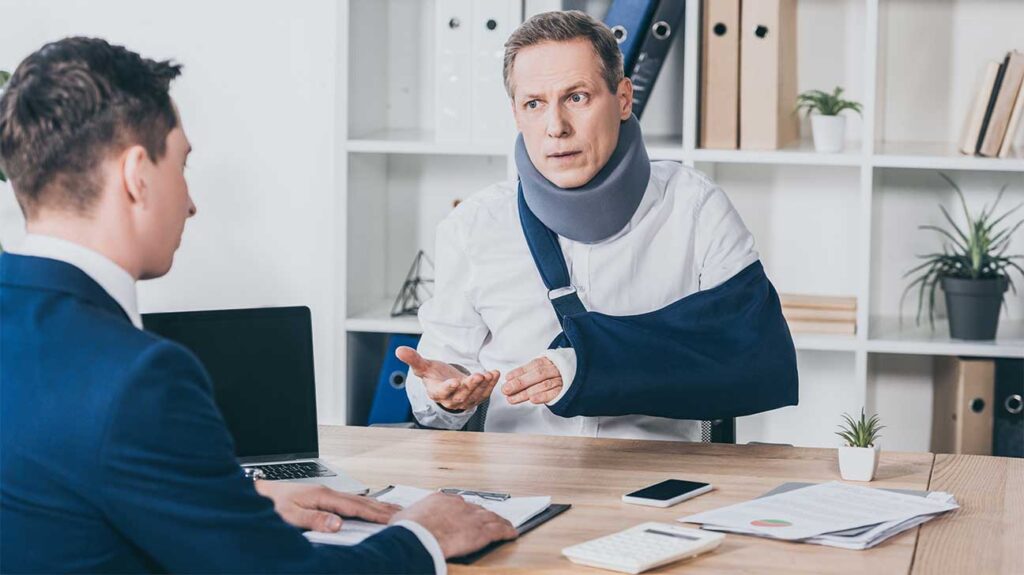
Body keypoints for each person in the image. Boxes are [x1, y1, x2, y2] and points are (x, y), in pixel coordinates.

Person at [0, 37, 515, 574]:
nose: (191, 202)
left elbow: (59, 497)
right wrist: (422, 536)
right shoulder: (139, 379)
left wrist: (233, 507)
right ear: (136, 177)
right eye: (182, 164)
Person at [399, 11, 798, 440]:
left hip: (656, 484)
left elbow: (755, 356)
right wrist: (445, 393)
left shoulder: (695, 208)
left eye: (577, 97)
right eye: (534, 104)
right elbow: (440, 387)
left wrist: (581, 366)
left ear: (624, 98)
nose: (556, 128)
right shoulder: (473, 226)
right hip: (516, 485)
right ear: (516, 114)